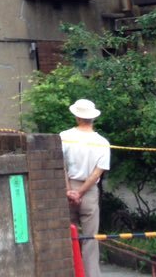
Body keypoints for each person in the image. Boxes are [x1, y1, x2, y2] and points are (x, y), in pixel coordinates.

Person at [60, 98, 110, 277]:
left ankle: (71, 272)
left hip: (68, 188)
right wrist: (81, 193)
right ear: (93, 118)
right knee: (90, 238)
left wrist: (69, 191)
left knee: (68, 236)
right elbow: (97, 173)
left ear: (76, 116)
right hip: (89, 192)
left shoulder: (64, 136)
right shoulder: (102, 142)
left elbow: (60, 166)